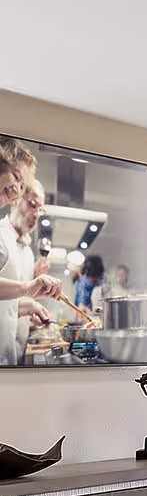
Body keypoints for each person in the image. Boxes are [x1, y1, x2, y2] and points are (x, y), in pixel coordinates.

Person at [0, 157, 60, 366]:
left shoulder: (28, 252)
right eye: (32, 205)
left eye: (39, 209)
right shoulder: (0, 234)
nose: (35, 214)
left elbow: (11, 302)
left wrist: (31, 308)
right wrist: (29, 292)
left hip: (14, 349)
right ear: (16, 199)